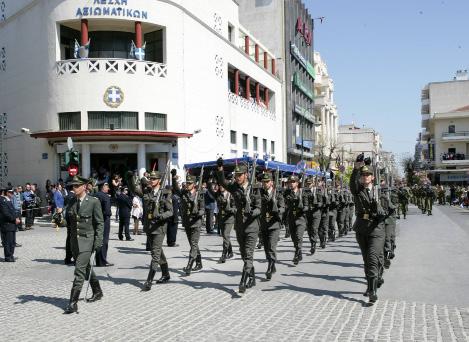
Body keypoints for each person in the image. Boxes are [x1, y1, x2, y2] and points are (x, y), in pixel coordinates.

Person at [216, 158, 261, 293]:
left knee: (248, 255)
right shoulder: (234, 187)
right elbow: (222, 182)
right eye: (235, 175)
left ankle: (243, 281)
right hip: (240, 226)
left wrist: (252, 212)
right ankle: (252, 276)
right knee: (243, 254)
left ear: (246, 175)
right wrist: (220, 169)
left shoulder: (255, 188)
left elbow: (259, 208)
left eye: (239, 175)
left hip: (252, 227)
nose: (237, 177)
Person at [63, 176, 104, 314]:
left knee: (79, 271)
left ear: (84, 186)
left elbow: (99, 223)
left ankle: (72, 303)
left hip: (87, 241)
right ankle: (98, 291)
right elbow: (67, 221)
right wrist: (58, 219)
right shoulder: (71, 202)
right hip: (75, 242)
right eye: (72, 186)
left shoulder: (93, 202)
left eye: (76, 186)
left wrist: (98, 241)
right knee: (86, 268)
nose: (73, 188)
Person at [349, 155, 386, 304]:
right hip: (362, 228)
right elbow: (352, 183)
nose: (365, 177)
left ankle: (372, 291)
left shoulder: (380, 191)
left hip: (376, 229)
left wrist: (381, 211)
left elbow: (388, 208)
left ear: (372, 177)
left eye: (367, 174)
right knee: (367, 260)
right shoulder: (358, 190)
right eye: (363, 174)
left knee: (372, 258)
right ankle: (371, 283)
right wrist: (356, 167)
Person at [138, 171, 173, 291]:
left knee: (155, 254)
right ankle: (166, 274)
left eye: (154, 179)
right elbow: (136, 190)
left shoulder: (165, 193)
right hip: (149, 227)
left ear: (159, 180)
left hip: (159, 227)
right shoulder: (148, 192)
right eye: (150, 179)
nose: (151, 180)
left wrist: (161, 216)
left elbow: (170, 211)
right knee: (157, 251)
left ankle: (149, 280)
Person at [171, 170, 205, 275]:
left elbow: (203, 209)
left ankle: (189, 265)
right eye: (187, 183)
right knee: (192, 244)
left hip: (196, 222)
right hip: (187, 222)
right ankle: (199, 263)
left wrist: (198, 214)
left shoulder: (199, 194)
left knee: (194, 244)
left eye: (190, 183)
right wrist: (173, 178)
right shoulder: (184, 192)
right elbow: (176, 189)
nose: (188, 185)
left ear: (194, 184)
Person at [259, 172, 285, 280]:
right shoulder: (260, 193)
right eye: (263, 182)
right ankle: (271, 263)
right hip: (264, 224)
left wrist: (277, 210)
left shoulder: (277, 193)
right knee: (266, 248)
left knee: (271, 246)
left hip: (274, 224)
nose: (265, 184)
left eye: (267, 182)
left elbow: (283, 207)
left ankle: (270, 266)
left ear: (272, 182)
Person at [283, 175, 308, 265]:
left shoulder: (302, 192)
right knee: (293, 238)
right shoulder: (287, 193)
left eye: (293, 182)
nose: (291, 183)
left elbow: (307, 206)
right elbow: (284, 203)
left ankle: (296, 255)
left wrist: (302, 207)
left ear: (297, 183)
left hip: (300, 218)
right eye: (290, 182)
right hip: (291, 218)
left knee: (298, 236)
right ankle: (299, 250)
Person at [210, 182, 236, 263]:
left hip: (229, 217)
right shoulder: (218, 194)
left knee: (225, 234)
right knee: (225, 235)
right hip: (221, 217)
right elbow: (210, 190)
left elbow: (236, 208)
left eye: (222, 185)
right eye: (219, 185)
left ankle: (223, 254)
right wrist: (210, 179)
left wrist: (230, 209)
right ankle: (230, 252)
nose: (220, 186)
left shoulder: (231, 194)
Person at [93, 183, 114, 267]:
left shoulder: (94, 195)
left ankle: (98, 260)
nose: (108, 188)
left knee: (98, 239)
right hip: (104, 220)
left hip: (95, 220)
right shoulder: (105, 196)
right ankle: (102, 261)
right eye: (107, 186)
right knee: (104, 241)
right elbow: (107, 211)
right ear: (103, 187)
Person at [1, 188, 21, 262]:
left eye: (12, 192)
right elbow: (5, 213)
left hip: (12, 224)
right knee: (8, 242)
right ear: (6, 193)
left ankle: (11, 255)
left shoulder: (9, 200)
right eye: (10, 192)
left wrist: (17, 217)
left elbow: (13, 211)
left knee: (12, 242)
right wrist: (14, 219)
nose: (12, 194)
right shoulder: (3, 200)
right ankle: (8, 256)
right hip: (7, 224)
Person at [304, 177, 322, 255]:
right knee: (309, 230)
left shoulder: (317, 191)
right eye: (307, 184)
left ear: (313, 183)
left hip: (316, 213)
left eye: (310, 183)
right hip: (308, 213)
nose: (308, 185)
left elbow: (321, 202)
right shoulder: (304, 192)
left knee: (314, 228)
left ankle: (313, 244)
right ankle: (312, 241)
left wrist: (317, 204)